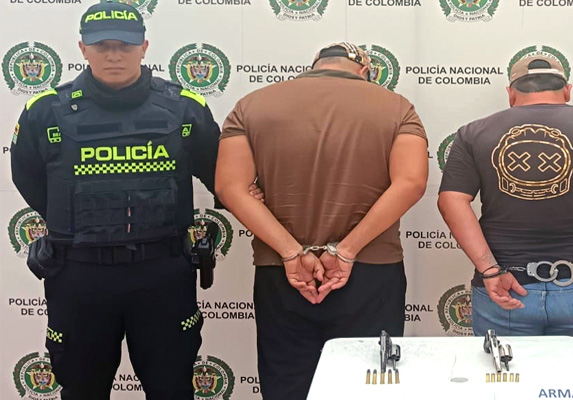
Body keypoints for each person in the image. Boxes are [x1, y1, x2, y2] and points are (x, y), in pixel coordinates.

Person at [10, 2, 232, 398]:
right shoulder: (44, 111)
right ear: (83, 48)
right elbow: (28, 179)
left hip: (162, 273)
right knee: (81, 388)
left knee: (171, 388)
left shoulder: (185, 107)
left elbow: (223, 178)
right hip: (79, 274)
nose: (114, 55)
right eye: (102, 46)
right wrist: (76, 221)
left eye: (125, 46)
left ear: (144, 47)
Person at [215, 42, 428, 400]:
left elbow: (229, 188)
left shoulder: (251, 105)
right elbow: (411, 183)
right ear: (364, 71)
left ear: (314, 66)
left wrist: (291, 252)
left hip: (283, 272)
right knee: (368, 386)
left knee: (286, 383)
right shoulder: (396, 107)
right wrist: (346, 251)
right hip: (370, 271)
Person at [437, 53, 573, 379]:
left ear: (511, 93)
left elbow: (451, 201)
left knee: (505, 391)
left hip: (507, 288)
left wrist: (489, 270)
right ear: (566, 90)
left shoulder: (473, 133)